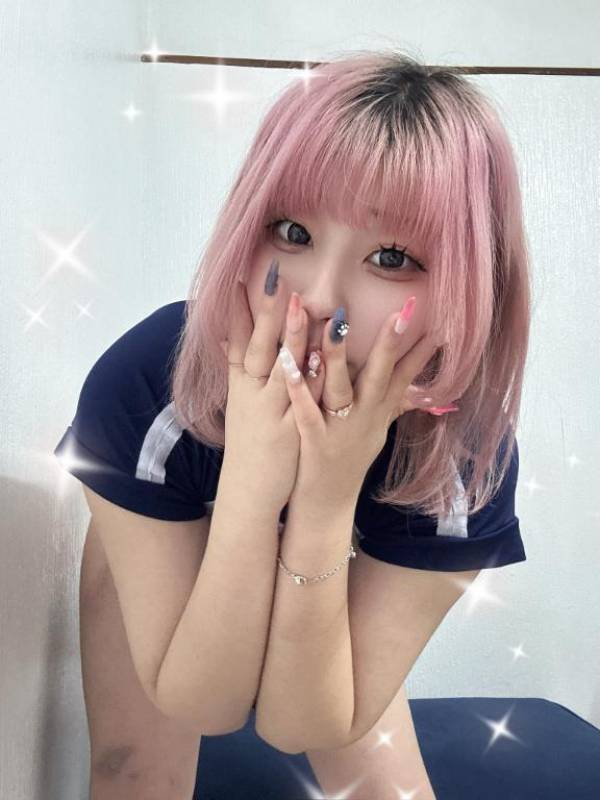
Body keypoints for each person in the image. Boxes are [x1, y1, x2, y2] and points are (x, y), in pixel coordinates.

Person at [55, 48, 529, 800]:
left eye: (392, 256)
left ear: (472, 283)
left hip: (338, 577)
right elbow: (201, 705)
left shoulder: (461, 464)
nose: (320, 297)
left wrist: (325, 501)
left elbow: (303, 724)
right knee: (133, 774)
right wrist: (252, 480)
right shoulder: (149, 387)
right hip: (170, 542)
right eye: (292, 232)